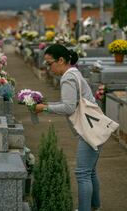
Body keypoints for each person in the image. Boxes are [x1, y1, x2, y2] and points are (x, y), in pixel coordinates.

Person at [35, 43, 101, 211]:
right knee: (90, 171)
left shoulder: (68, 77)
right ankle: (95, 207)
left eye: (50, 63)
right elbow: (69, 104)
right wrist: (47, 104)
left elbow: (68, 107)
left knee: (82, 174)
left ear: (62, 60)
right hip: (94, 127)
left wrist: (45, 108)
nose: (48, 68)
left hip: (88, 129)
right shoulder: (74, 73)